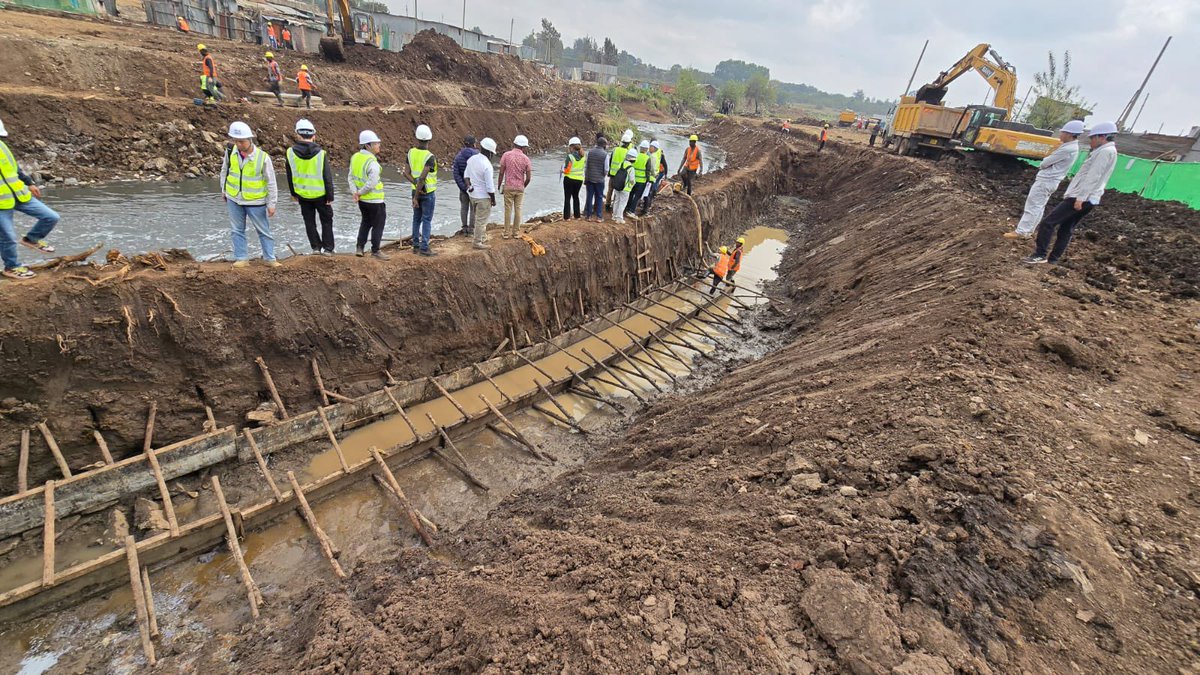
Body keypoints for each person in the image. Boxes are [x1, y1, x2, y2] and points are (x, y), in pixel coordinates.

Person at [1023, 121, 1118, 265]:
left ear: (1102, 137)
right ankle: (1053, 259)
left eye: (1092, 138)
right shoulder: (1108, 151)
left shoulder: (1105, 152)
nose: (1090, 141)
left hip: (1081, 197)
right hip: (1089, 198)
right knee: (1066, 228)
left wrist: (1080, 198)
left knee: (1048, 223)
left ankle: (1040, 254)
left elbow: (1093, 176)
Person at [0, 117, 59, 280]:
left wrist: (29, 182)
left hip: (19, 194)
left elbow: (15, 169)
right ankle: (11, 267)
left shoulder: (2, 147)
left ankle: (32, 239)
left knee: (51, 217)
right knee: (8, 238)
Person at [1005, 120, 1084, 240]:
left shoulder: (1067, 149)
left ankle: (1022, 231)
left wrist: (1044, 162)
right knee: (1039, 206)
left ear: (1069, 134)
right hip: (1051, 181)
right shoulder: (1071, 147)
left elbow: (1044, 163)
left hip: (1047, 180)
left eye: (1062, 132)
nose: (1060, 135)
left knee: (1033, 205)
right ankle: (1028, 231)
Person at [220, 121, 279, 268]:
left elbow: (271, 182)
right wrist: (224, 190)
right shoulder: (230, 152)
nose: (239, 144)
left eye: (242, 141)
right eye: (236, 141)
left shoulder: (262, 157)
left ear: (250, 139)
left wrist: (271, 204)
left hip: (255, 201)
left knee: (263, 231)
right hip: (234, 198)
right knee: (237, 230)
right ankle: (242, 258)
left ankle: (270, 259)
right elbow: (225, 171)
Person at [285, 119, 335, 255]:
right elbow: (327, 176)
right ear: (314, 135)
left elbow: (289, 175)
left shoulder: (290, 152)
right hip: (321, 195)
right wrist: (330, 195)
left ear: (297, 134)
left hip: (303, 195)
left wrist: (293, 193)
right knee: (326, 221)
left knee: (309, 222)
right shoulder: (320, 153)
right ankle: (328, 249)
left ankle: (316, 248)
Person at [348, 130, 388, 259]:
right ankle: (375, 250)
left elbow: (350, 177)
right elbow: (372, 183)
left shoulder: (355, 157)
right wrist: (359, 192)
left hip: (362, 201)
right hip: (375, 201)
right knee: (378, 224)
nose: (378, 145)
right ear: (368, 145)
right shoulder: (372, 162)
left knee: (365, 222)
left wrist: (355, 193)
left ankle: (360, 247)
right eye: (376, 143)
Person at [403, 124, 438, 256]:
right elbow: (423, 178)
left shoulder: (410, 153)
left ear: (417, 138)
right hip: (427, 193)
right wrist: (418, 194)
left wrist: (415, 186)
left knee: (416, 219)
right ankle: (424, 248)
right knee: (427, 219)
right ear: (429, 139)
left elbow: (406, 173)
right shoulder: (430, 157)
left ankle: (416, 246)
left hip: (415, 191)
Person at [464, 137, 497, 250]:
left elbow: (466, 176)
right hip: (483, 197)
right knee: (481, 220)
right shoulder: (487, 165)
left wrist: (469, 187)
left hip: (472, 195)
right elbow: (490, 186)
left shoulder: (472, 159)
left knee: (478, 217)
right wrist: (493, 199)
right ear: (489, 152)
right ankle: (477, 242)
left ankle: (482, 237)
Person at [497, 135, 532, 239]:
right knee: (518, 209)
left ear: (514, 144)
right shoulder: (526, 159)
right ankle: (516, 233)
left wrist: (499, 185)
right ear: (523, 147)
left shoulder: (506, 155)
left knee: (508, 209)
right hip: (520, 188)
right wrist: (523, 186)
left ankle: (506, 233)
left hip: (508, 186)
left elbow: (501, 172)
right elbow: (529, 177)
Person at [452, 136, 478, 237]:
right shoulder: (477, 155)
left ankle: (464, 228)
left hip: (463, 188)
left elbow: (456, 174)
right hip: (474, 187)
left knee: (464, 207)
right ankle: (471, 230)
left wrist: (463, 187)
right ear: (473, 144)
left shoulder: (458, 156)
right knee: (473, 209)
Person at [605, 129, 634, 211]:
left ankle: (607, 204)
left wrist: (610, 171)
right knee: (617, 190)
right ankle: (614, 205)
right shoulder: (627, 152)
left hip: (612, 173)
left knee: (610, 190)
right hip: (620, 175)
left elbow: (610, 160)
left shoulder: (615, 149)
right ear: (628, 143)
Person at [583, 135, 608, 222]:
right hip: (599, 180)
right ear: (604, 145)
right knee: (599, 197)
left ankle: (588, 216)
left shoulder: (590, 152)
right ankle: (599, 217)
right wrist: (602, 176)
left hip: (590, 178)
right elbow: (606, 169)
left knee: (589, 197)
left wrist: (586, 177)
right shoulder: (605, 155)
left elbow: (587, 166)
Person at [638, 139, 667, 216]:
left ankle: (645, 209)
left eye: (650, 147)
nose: (649, 148)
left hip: (651, 178)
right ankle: (645, 208)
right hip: (652, 177)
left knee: (647, 194)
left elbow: (653, 169)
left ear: (654, 148)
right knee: (647, 193)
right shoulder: (654, 155)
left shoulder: (653, 157)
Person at [624, 140, 652, 218]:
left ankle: (627, 208)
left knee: (630, 194)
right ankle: (631, 211)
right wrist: (648, 180)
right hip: (641, 181)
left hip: (632, 179)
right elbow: (648, 171)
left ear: (640, 148)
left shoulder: (636, 155)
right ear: (647, 149)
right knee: (637, 197)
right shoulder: (647, 158)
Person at [609, 147, 636, 225]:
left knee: (616, 200)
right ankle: (619, 218)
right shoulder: (631, 168)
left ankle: (614, 216)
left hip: (618, 186)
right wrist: (632, 185)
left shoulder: (621, 164)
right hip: (626, 188)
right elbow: (632, 180)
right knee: (622, 203)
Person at [561, 137, 585, 221]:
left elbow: (567, 170)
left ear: (571, 147)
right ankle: (577, 216)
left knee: (567, 198)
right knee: (576, 197)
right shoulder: (583, 156)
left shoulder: (570, 157)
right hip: (579, 180)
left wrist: (562, 171)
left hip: (569, 179)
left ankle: (567, 217)